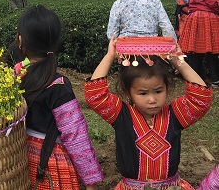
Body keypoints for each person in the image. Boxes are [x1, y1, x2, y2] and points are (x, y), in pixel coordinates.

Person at [85, 37, 213, 189]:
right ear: (128, 93)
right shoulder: (121, 115)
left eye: (158, 91)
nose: (152, 100)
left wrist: (177, 61)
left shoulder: (174, 115)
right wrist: (109, 57)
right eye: (143, 93)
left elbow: (201, 98)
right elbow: (95, 95)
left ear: (167, 88)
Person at [14, 5, 102, 190]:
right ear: (55, 42)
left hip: (19, 162)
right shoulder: (58, 85)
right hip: (51, 168)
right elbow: (75, 135)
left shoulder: (14, 78)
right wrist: (91, 181)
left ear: (20, 41)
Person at [178, 0, 219, 87]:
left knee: (195, 52)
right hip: (207, 17)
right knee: (212, 51)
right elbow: (212, 2)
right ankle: (215, 80)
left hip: (194, 17)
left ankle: (195, 79)